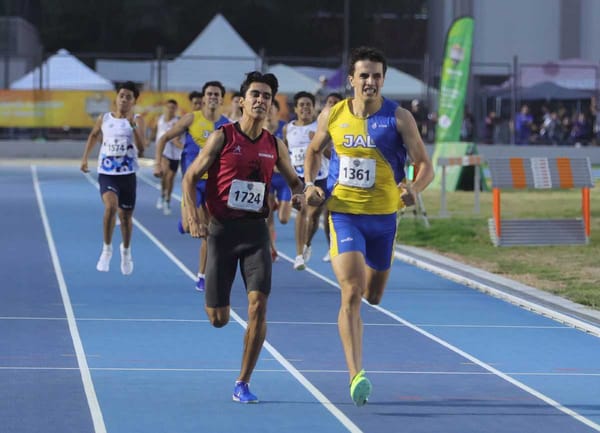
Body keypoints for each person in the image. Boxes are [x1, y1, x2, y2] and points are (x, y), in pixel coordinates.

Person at [304, 46, 434, 406]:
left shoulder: (399, 118)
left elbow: (425, 164)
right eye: (364, 75)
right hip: (344, 214)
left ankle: (361, 319)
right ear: (351, 80)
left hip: (384, 220)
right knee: (350, 291)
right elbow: (314, 150)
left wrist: (414, 188)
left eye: (376, 75)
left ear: (383, 80)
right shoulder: (333, 115)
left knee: (372, 296)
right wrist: (310, 183)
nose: (370, 81)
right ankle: (355, 375)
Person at [182, 71, 304, 403]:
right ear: (242, 101)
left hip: (255, 234)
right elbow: (191, 178)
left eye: (267, 96)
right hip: (221, 232)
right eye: (255, 94)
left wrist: (304, 194)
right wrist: (193, 215)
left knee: (257, 306)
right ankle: (216, 303)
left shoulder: (273, 145)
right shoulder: (223, 137)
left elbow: (294, 182)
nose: (261, 100)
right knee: (218, 319)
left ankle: (243, 382)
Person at [154, 82, 230, 292]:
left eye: (216, 94)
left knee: (209, 233)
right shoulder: (191, 119)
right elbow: (164, 138)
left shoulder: (227, 126)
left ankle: (202, 276)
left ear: (221, 99)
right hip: (193, 182)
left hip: (214, 185)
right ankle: (185, 220)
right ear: (204, 98)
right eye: (209, 94)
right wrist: (157, 162)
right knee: (190, 227)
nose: (213, 97)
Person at [80, 81, 146, 275]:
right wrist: (85, 158)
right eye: (122, 96)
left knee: (125, 217)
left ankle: (125, 252)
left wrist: (133, 127)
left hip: (128, 174)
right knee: (110, 206)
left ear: (134, 101)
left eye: (129, 97)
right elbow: (93, 135)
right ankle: (106, 250)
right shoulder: (105, 118)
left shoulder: (137, 119)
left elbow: (142, 147)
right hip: (107, 173)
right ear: (116, 98)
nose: (124, 99)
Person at [284, 91, 328, 270]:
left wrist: (317, 144)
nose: (305, 108)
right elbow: (285, 153)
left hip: (320, 176)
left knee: (314, 215)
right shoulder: (288, 128)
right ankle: (299, 255)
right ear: (295, 109)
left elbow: (331, 154)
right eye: (301, 105)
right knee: (302, 211)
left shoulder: (320, 127)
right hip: (298, 178)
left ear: (314, 108)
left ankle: (307, 244)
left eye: (308, 105)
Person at [263, 98, 291, 261]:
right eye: (267, 109)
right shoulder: (259, 129)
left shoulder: (285, 128)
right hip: (267, 179)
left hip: (283, 178)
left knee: (284, 219)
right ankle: (272, 249)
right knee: (267, 217)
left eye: (272, 109)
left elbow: (289, 151)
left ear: (276, 111)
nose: (269, 112)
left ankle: (279, 203)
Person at [320, 92, 343, 262]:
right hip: (329, 178)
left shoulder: (348, 123)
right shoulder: (323, 124)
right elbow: (316, 151)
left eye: (336, 102)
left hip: (350, 179)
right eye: (330, 102)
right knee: (327, 214)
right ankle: (331, 247)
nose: (333, 104)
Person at [152, 99, 181, 215]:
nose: (170, 109)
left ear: (175, 109)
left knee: (170, 178)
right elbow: (154, 131)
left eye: (173, 108)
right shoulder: (159, 120)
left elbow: (180, 136)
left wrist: (179, 143)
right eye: (168, 107)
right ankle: (162, 195)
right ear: (165, 108)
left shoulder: (178, 121)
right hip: (164, 153)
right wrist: (149, 140)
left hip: (176, 154)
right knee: (164, 174)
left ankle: (167, 198)